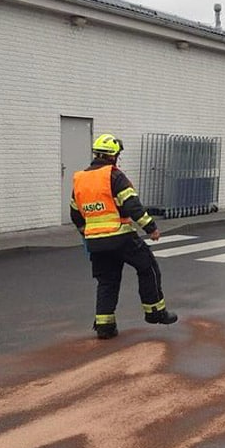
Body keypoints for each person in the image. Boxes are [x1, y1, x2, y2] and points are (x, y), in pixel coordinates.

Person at [71, 133, 178, 340]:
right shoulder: (114, 176)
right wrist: (151, 228)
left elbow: (75, 214)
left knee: (107, 281)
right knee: (148, 267)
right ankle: (155, 312)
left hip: (95, 242)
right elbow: (132, 205)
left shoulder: (80, 179)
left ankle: (104, 326)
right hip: (120, 237)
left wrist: (87, 233)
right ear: (113, 156)